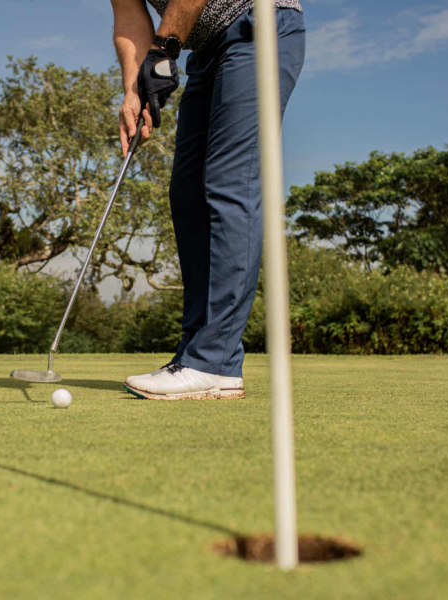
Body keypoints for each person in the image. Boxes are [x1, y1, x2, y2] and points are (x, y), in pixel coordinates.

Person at [110, 0, 305, 399]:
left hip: (258, 23)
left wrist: (163, 50)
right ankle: (193, 353)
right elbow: (129, 17)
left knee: (228, 184)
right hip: (208, 49)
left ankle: (215, 361)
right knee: (187, 194)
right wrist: (135, 89)